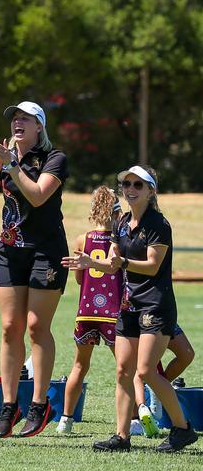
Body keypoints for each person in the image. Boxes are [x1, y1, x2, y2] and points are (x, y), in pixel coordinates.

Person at [63, 164, 198, 452]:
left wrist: (121, 263)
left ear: (151, 191)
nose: (131, 189)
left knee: (147, 371)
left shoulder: (158, 224)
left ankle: (183, 429)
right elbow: (113, 263)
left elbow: (152, 266)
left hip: (155, 305)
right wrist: (91, 263)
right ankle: (121, 436)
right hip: (128, 305)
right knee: (124, 370)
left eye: (138, 185)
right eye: (127, 184)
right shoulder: (121, 223)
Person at [0, 101, 69, 438]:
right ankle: (9, 405)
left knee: (35, 326)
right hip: (10, 251)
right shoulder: (4, 158)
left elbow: (38, 196)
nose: (17, 123)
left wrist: (12, 166)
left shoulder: (54, 158)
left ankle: (40, 404)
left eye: (25, 119)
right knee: (9, 327)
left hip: (46, 251)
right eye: (15, 119)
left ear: (39, 126)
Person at [56, 187, 122, 434]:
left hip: (86, 311)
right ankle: (132, 420)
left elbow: (79, 279)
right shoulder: (120, 240)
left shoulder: (82, 239)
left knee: (79, 366)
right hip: (113, 313)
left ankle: (66, 419)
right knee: (124, 369)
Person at [131, 323, 195, 437]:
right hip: (141, 317)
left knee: (187, 354)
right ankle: (138, 414)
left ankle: (156, 387)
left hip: (164, 315)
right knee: (142, 366)